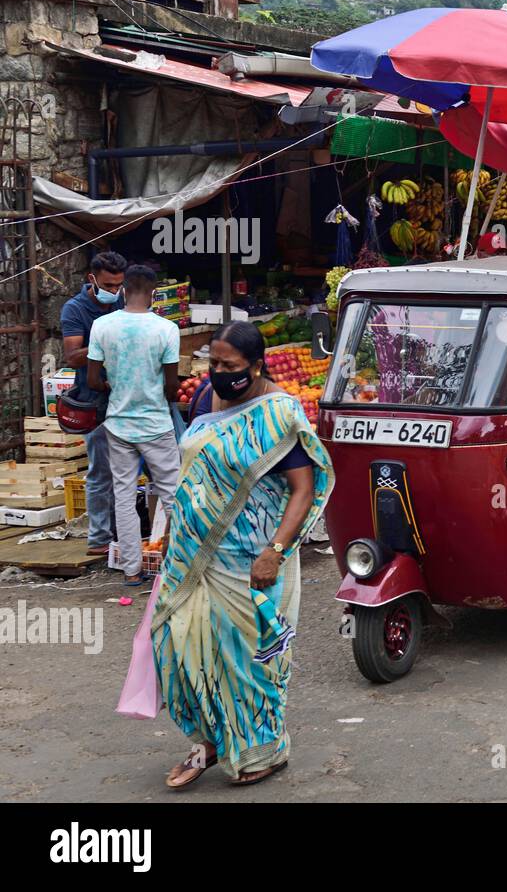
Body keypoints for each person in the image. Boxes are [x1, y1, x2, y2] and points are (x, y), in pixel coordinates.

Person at [153, 321, 333, 788]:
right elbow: (193, 472)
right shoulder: (202, 400)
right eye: (212, 363)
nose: (218, 372)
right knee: (179, 645)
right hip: (191, 554)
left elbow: (302, 488)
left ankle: (262, 751)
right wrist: (171, 531)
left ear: (255, 365)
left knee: (248, 658)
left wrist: (274, 552)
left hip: (251, 559)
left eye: (229, 366)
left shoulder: (278, 413)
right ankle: (209, 741)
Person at [86, 265, 181, 587]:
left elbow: (93, 379)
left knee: (123, 497)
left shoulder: (102, 326)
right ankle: (183, 565)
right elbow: (171, 386)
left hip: (118, 424)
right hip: (155, 423)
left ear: (123, 290)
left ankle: (131, 571)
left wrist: (115, 388)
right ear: (154, 294)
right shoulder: (166, 329)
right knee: (172, 495)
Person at [60, 250, 126, 555]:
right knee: (101, 471)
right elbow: (72, 357)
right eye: (108, 285)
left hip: (126, 396)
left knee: (128, 471)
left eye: (118, 286)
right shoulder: (75, 309)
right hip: (94, 400)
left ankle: (126, 532)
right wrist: (104, 340)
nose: (114, 291)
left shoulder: (124, 302)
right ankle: (99, 538)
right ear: (92, 279)